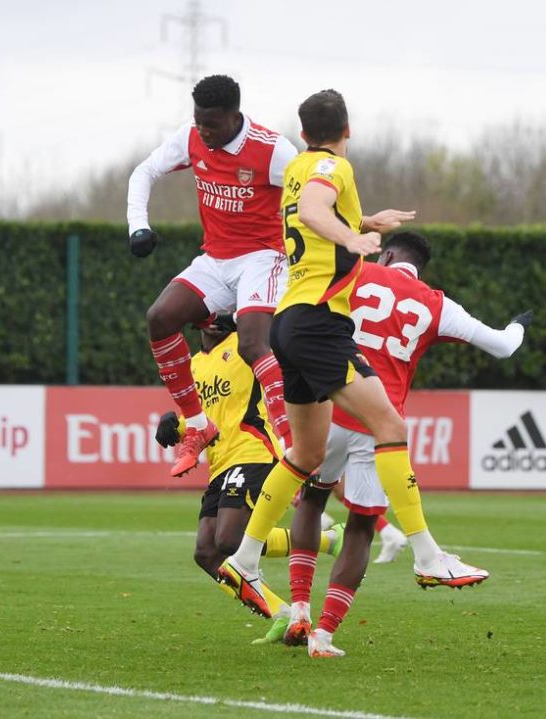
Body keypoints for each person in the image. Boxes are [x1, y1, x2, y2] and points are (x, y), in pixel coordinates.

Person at [213, 88, 462, 659]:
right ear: (347, 128)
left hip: (288, 320)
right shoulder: (332, 165)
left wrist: (368, 219)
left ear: (303, 132)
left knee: (304, 455)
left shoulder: (300, 166)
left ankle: (246, 559)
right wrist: (355, 236)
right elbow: (314, 214)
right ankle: (427, 556)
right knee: (391, 428)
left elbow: (309, 213)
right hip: (322, 323)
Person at [278, 230, 533, 656]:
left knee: (312, 500)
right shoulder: (435, 303)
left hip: (328, 402)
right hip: (378, 423)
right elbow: (503, 347)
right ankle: (323, 636)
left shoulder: (354, 271)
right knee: (361, 526)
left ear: (389, 253)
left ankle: (299, 610)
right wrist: (518, 326)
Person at [127, 74, 298, 477]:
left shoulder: (274, 151)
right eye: (198, 122)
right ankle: (199, 427)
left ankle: (292, 445)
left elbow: (314, 197)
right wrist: (138, 225)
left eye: (212, 125)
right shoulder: (191, 137)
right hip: (217, 260)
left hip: (264, 258)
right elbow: (143, 172)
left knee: (253, 345)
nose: (203, 131)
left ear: (235, 116)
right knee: (160, 318)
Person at [152, 316, 344, 616]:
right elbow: (200, 420)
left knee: (229, 539)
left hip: (253, 452)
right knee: (206, 553)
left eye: (225, 311)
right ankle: (279, 612)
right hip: (220, 463)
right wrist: (172, 426)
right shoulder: (192, 366)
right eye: (210, 312)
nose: (216, 318)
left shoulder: (248, 347)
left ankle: (327, 540)